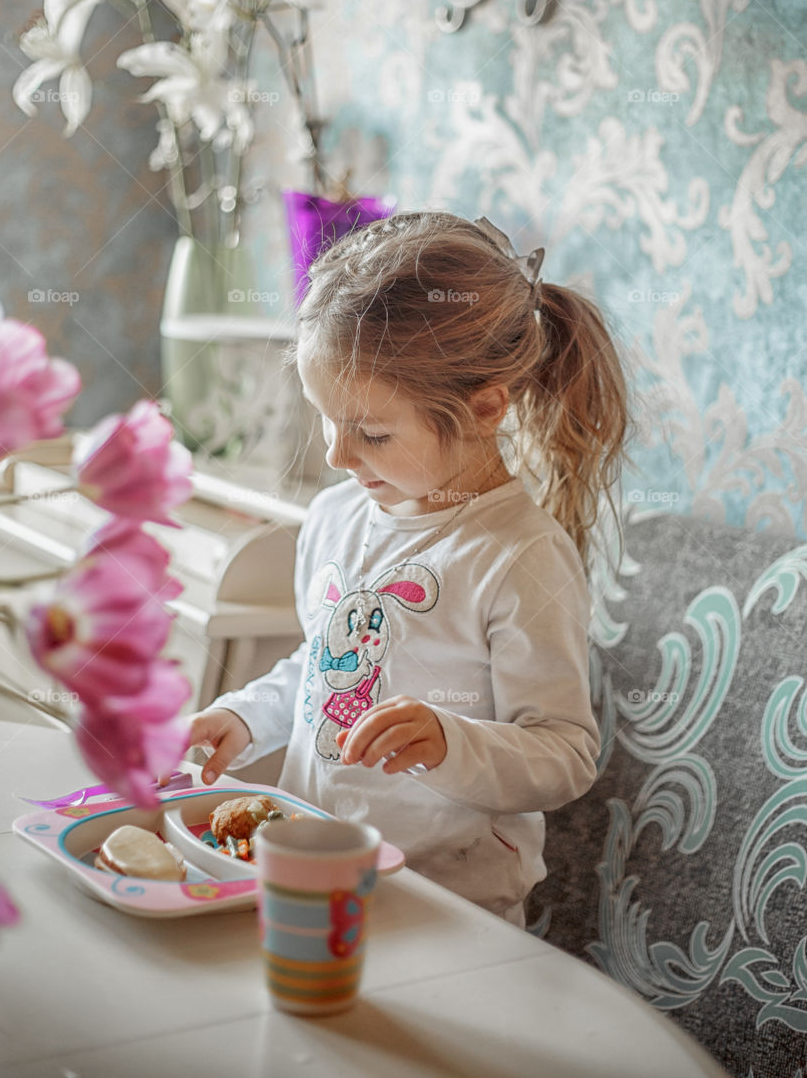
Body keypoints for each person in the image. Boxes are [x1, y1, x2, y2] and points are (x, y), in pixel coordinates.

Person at [182, 210, 631, 928]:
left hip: (449, 910)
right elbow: (324, 667)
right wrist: (247, 716)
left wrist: (451, 742)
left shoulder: (516, 557)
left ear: (484, 409)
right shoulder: (336, 516)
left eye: (372, 432)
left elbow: (563, 753)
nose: (336, 454)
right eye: (326, 418)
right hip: (315, 872)